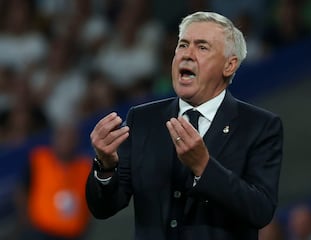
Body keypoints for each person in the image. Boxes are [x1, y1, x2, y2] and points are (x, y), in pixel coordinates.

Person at [86, 11, 283, 240]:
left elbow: (260, 210)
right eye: (183, 45)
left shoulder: (260, 126)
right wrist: (105, 167)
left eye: (202, 47)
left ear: (229, 66)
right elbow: (104, 208)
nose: (187, 55)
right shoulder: (143, 120)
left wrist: (204, 167)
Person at [15, 123, 92, 240]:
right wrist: (25, 221)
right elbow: (21, 190)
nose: (67, 141)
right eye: (62, 136)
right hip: (40, 232)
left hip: (73, 233)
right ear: (54, 138)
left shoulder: (85, 166)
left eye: (71, 138)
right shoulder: (39, 159)